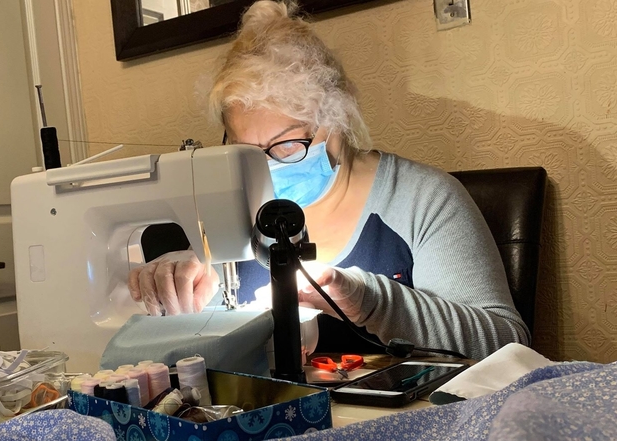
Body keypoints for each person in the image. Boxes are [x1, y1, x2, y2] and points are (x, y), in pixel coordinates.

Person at [128, 0, 529, 360]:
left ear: (337, 121)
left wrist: (372, 301)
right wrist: (173, 293)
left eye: (286, 145)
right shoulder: (228, 207)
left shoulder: (423, 200)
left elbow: (508, 344)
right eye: (244, 151)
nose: (265, 168)